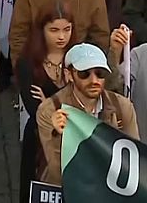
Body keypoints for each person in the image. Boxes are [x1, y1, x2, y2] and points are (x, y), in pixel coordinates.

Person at [36, 43, 139, 185]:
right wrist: (57, 135)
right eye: (84, 74)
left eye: (100, 73)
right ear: (69, 75)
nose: (94, 80)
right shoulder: (50, 110)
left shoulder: (122, 106)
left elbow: (135, 162)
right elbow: (56, 172)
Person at [16, 2, 74, 203]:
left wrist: (49, 102)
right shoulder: (27, 63)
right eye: (54, 30)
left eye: (67, 29)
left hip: (74, 140)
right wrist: (63, 104)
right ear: (42, 30)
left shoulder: (78, 60)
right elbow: (35, 109)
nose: (61, 37)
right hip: (38, 138)